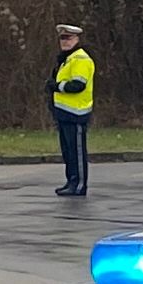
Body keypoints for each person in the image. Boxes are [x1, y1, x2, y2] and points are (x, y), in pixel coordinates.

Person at [48, 22, 95, 197]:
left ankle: (80, 185)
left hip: (77, 113)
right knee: (68, 152)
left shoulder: (80, 59)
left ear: (77, 39)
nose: (65, 42)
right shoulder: (66, 59)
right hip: (64, 113)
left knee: (77, 152)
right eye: (62, 38)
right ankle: (71, 181)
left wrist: (57, 86)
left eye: (68, 38)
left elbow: (78, 85)